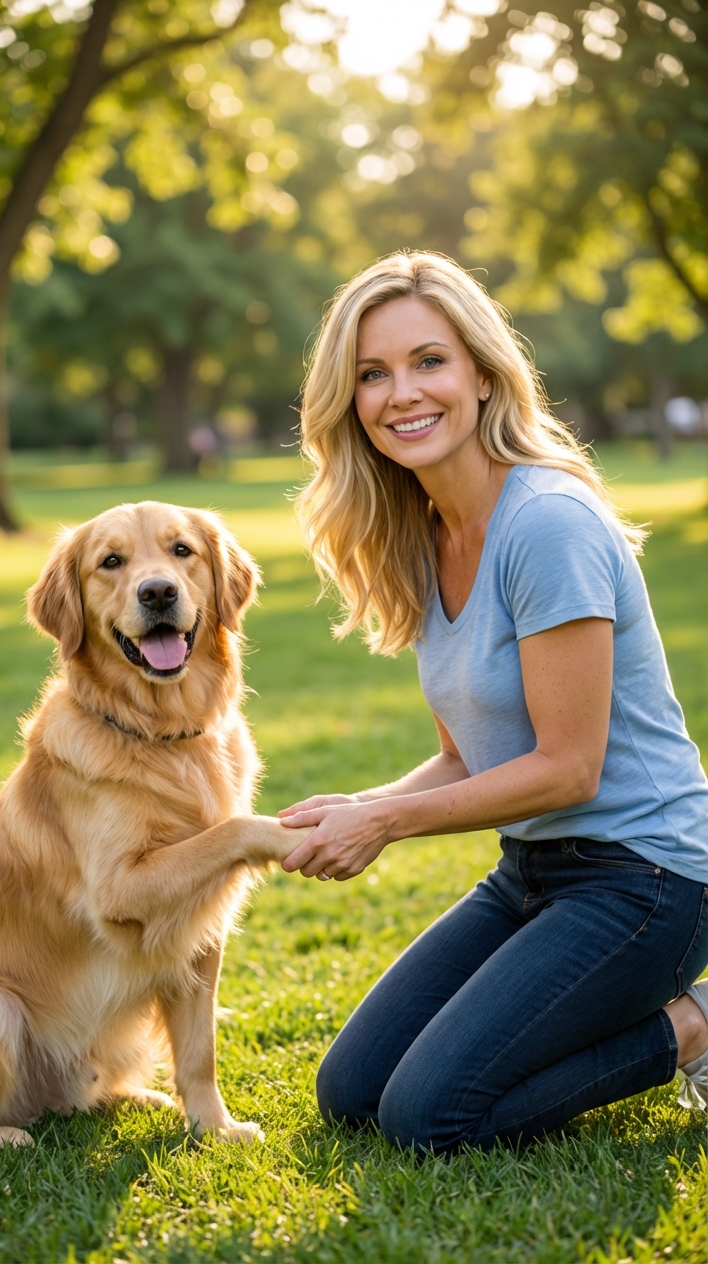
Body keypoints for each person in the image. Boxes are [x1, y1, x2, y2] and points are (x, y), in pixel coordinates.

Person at [278, 251, 708, 1156]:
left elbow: (567, 766)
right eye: (372, 373)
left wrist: (387, 823)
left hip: (649, 879)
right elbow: (470, 753)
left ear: (480, 373)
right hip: (532, 874)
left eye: (428, 361)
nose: (402, 393)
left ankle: (694, 1027)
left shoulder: (546, 522)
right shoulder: (424, 535)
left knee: (430, 1116)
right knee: (351, 1093)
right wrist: (360, 806)